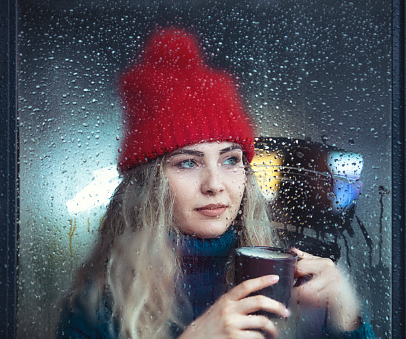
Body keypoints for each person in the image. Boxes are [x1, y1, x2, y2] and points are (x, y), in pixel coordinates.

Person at [57, 27, 375, 339]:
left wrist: (345, 317)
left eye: (230, 160)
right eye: (188, 163)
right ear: (149, 186)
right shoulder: (98, 309)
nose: (215, 184)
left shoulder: (285, 282)